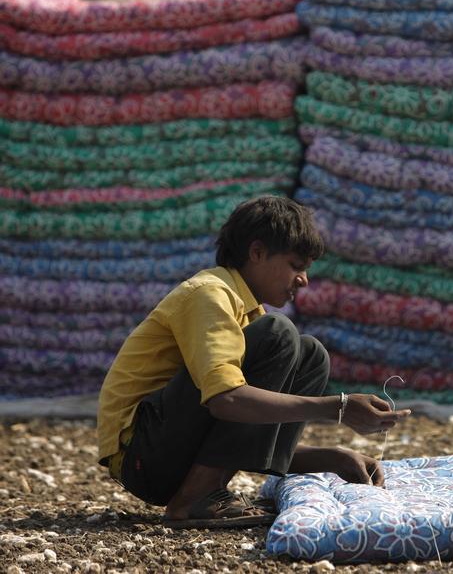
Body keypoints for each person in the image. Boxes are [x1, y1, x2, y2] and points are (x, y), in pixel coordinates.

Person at [96, 195, 411, 528]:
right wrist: (340, 408)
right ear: (257, 252)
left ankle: (200, 492)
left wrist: (332, 458)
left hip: (168, 456)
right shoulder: (210, 294)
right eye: (295, 265)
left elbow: (236, 435)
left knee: (311, 355)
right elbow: (225, 401)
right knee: (279, 334)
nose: (303, 280)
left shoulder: (247, 314)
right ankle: (194, 499)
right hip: (141, 457)